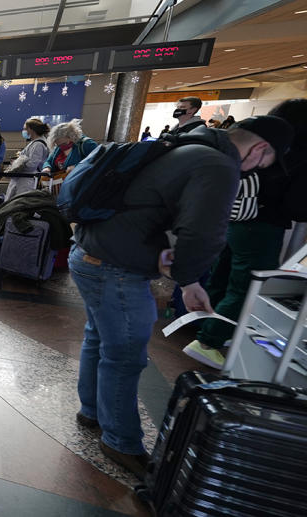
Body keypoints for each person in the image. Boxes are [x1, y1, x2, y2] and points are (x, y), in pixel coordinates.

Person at [69, 116, 292, 480]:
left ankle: (92, 410)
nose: (258, 171)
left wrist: (182, 276)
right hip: (117, 268)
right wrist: (189, 280)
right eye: (263, 165)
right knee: (125, 356)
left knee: (99, 336)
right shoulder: (218, 165)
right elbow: (202, 234)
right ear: (259, 149)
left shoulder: (183, 143)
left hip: (90, 253)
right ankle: (120, 441)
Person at [184, 104, 306, 368]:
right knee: (247, 286)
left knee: (221, 277)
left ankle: (205, 329)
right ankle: (209, 342)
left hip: (233, 220)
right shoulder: (292, 155)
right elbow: (298, 206)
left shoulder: (253, 143)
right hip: (262, 228)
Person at [41, 119, 97, 194]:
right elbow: (49, 161)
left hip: (82, 190)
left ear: (71, 136)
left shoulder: (86, 144)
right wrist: (46, 168)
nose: (61, 147)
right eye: (58, 145)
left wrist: (76, 167)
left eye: (64, 144)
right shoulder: (58, 148)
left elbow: (98, 161)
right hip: (63, 189)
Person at [2, 118, 50, 201]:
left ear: (31, 130)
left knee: (20, 204)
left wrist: (17, 167)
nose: (24, 131)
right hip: (22, 179)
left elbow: (32, 165)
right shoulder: (34, 143)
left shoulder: (38, 144)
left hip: (27, 180)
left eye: (25, 128)